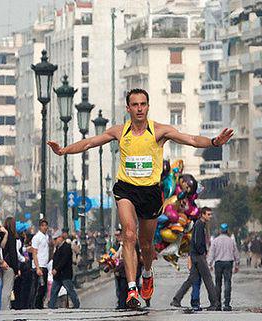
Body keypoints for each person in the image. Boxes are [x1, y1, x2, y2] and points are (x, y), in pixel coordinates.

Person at [48, 88, 234, 309]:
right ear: (128, 108)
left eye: (143, 104)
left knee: (146, 244)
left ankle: (146, 273)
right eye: (135, 105)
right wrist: (64, 151)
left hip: (151, 192)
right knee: (128, 234)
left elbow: (191, 139)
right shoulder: (119, 131)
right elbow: (90, 143)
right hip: (126, 188)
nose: (139, 108)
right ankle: (131, 289)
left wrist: (214, 142)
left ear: (148, 106)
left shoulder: (159, 131)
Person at [171, 207, 220, 311]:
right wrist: (202, 252)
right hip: (198, 256)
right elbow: (197, 242)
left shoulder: (200, 224)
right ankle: (214, 303)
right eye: (208, 214)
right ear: (202, 214)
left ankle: (176, 299)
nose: (210, 216)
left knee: (191, 279)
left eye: (210, 214)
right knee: (208, 279)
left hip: (195, 255)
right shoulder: (199, 225)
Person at [207, 223, 239, 311]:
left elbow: (211, 253)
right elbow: (235, 252)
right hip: (229, 263)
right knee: (227, 282)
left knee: (218, 283)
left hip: (218, 263)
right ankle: (227, 304)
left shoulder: (215, 241)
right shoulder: (231, 241)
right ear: (227, 230)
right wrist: (237, 264)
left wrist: (209, 264)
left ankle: (218, 303)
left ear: (220, 231)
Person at [48, 229, 80, 309]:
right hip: (58, 276)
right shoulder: (58, 248)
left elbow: (64, 261)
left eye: (56, 239)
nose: (54, 241)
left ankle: (76, 304)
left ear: (60, 238)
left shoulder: (66, 247)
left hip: (65, 274)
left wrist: (56, 269)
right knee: (54, 292)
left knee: (70, 290)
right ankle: (51, 306)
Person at [1, 217, 19, 310]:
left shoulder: (2, 234)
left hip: (0, 262)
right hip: (9, 265)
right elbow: (13, 253)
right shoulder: (12, 235)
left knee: (1, 287)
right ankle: (5, 307)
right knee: (7, 288)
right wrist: (16, 269)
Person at [31, 219, 50, 309]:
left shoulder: (46, 237)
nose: (44, 227)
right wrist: (37, 267)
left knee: (44, 287)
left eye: (46, 226)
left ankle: (40, 304)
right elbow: (34, 253)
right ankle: (35, 305)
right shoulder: (37, 237)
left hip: (45, 265)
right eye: (42, 225)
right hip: (39, 266)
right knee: (39, 287)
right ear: (39, 227)